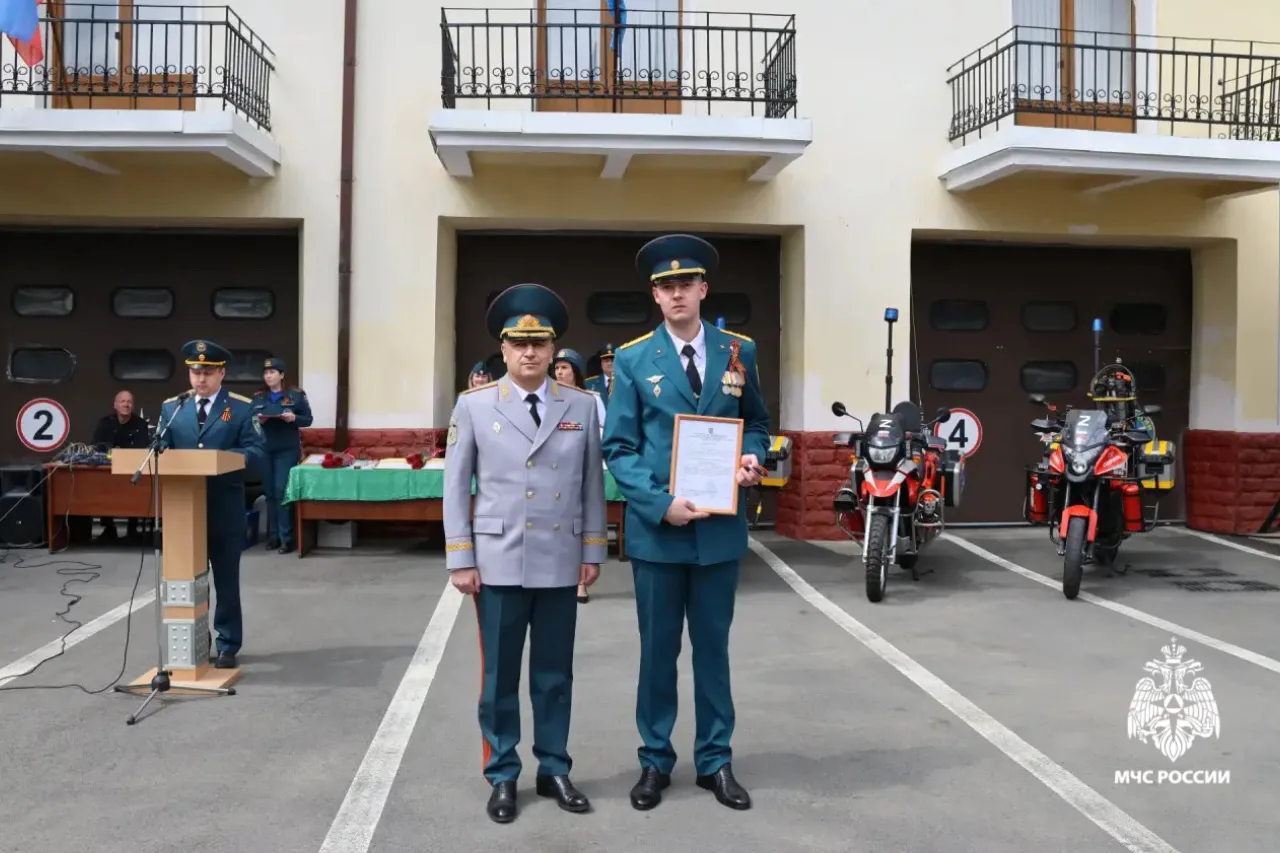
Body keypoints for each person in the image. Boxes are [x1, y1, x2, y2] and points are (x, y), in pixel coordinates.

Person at [601, 234, 770, 812]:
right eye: (666, 286)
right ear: (656, 295)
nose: (677, 293)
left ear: (703, 289)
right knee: (657, 654)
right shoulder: (632, 359)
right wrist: (658, 504)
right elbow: (619, 446)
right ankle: (654, 760)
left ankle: (715, 760)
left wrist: (751, 457)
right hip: (659, 533)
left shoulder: (739, 351)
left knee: (713, 652)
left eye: (686, 284)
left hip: (718, 533)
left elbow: (756, 422)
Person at [444, 283, 608, 824]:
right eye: (519, 343)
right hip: (498, 558)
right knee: (499, 677)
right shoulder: (474, 405)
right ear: (504, 349)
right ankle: (503, 774)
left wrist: (593, 549)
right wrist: (461, 557)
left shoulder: (580, 405)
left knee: (555, 674)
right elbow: (456, 486)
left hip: (559, 557)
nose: (530, 353)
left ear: (554, 348)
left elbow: (590, 484)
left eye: (540, 344)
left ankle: (554, 767)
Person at [157, 339, 266, 669]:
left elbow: (256, 452)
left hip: (223, 507)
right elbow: (161, 446)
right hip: (183, 510)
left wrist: (223, 459)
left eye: (207, 373)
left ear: (222, 373)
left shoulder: (238, 408)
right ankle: (195, 641)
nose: (200, 379)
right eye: (195, 372)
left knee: (226, 582)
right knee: (188, 580)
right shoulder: (173, 408)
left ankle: (228, 643)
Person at [552, 346, 608, 604]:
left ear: (575, 371)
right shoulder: (547, 397)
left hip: (582, 467)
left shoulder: (591, 399)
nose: (559, 372)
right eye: (557, 368)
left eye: (564, 368)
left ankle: (580, 582)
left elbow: (602, 430)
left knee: (580, 527)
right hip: (555, 471)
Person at [250, 357, 313, 553]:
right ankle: (273, 536)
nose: (268, 376)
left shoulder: (296, 395)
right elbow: (249, 420)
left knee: (282, 490)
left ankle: (287, 538)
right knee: (269, 492)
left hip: (286, 449)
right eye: (266, 373)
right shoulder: (259, 397)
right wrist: (258, 420)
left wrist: (294, 418)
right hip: (265, 448)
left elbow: (308, 420)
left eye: (272, 372)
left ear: (282, 375)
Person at [92, 389, 150, 543]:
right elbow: (96, 445)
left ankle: (133, 529)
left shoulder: (140, 424)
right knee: (102, 486)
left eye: (129, 402)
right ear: (115, 405)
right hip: (108, 470)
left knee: (136, 490)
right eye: (123, 401)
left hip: (131, 470)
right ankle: (109, 529)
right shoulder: (106, 423)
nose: (126, 404)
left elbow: (143, 448)